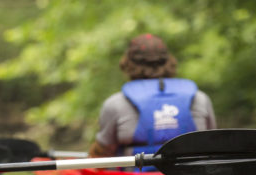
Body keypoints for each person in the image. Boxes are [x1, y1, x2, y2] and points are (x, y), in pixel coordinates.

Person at [89, 33, 217, 158]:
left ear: (127, 64)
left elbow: (102, 152)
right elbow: (213, 143)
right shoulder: (200, 98)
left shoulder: (115, 104)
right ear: (170, 61)